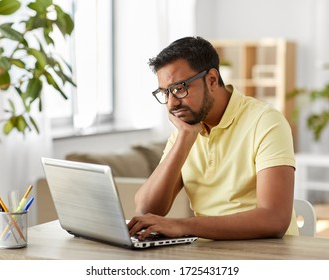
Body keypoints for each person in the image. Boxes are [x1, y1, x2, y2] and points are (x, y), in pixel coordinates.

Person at [127, 36, 298, 240]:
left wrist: (182, 226)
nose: (171, 104)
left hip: (267, 254)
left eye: (179, 89)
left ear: (212, 80)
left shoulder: (266, 122)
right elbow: (145, 209)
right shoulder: (186, 129)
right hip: (208, 252)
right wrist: (184, 139)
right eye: (165, 92)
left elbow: (274, 219)